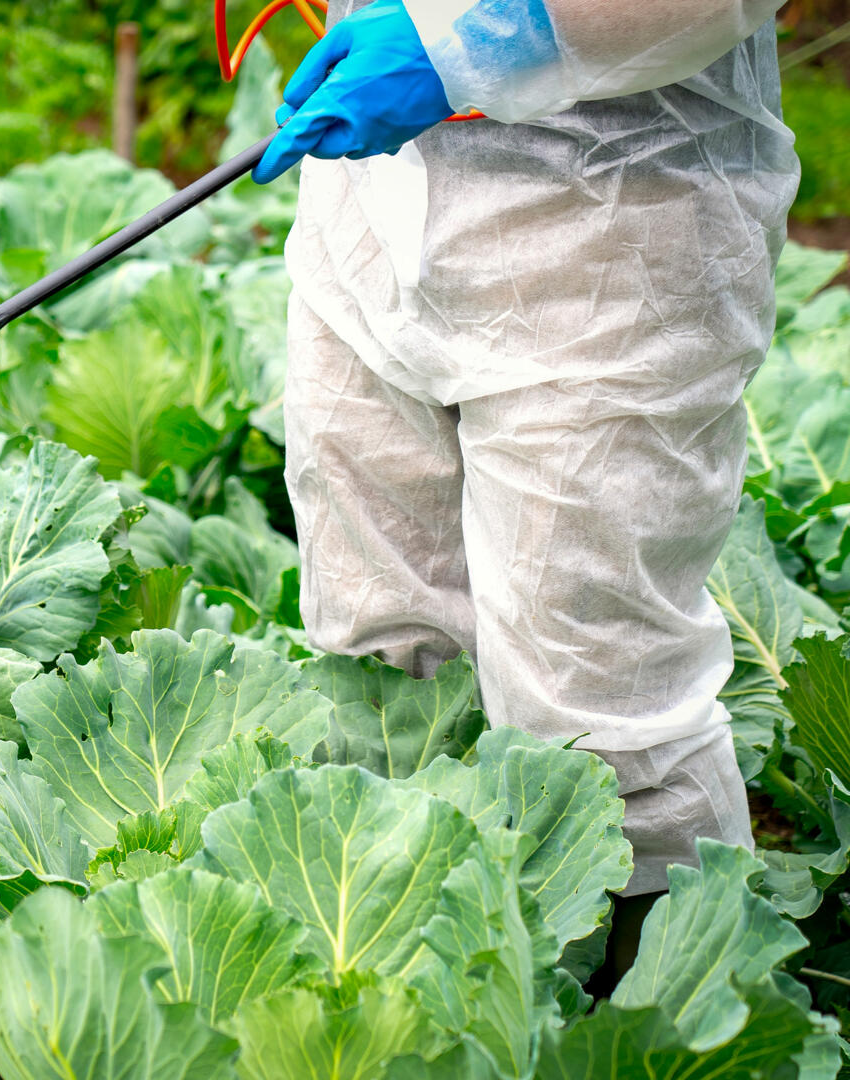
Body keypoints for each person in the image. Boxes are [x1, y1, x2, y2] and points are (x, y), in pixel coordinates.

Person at [253, 0, 794, 981]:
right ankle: (394, 979)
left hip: (613, 225)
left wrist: (476, 38)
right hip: (366, 217)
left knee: (599, 701)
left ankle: (656, 1010)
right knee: (381, 634)